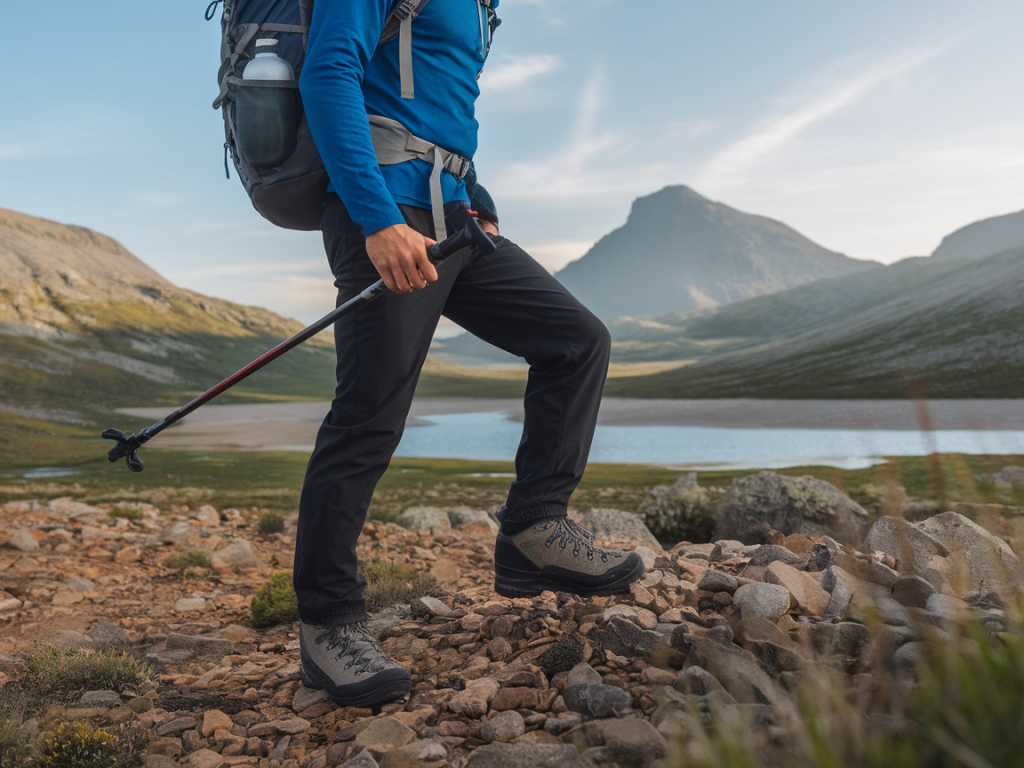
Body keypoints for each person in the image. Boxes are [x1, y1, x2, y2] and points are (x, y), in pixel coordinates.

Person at [292, 0, 645, 708]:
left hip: (456, 215)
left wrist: (477, 196)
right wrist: (376, 219)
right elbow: (327, 74)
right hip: (390, 211)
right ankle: (327, 625)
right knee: (369, 418)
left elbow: (442, 102)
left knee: (577, 342)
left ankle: (534, 528)